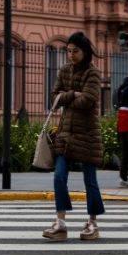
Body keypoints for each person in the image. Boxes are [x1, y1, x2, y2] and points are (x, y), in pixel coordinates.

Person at [42, 31, 105, 241]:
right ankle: (60, 222)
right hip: (65, 131)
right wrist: (72, 94)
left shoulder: (93, 73)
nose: (70, 55)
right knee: (59, 177)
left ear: (85, 51)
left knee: (90, 181)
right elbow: (54, 97)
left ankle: (92, 222)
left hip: (88, 132)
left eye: (75, 51)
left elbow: (88, 100)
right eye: (68, 51)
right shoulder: (64, 70)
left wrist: (67, 97)